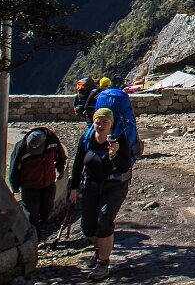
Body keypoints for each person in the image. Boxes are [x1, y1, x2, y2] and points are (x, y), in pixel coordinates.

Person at [69, 107, 134, 281]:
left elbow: (125, 167)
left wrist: (114, 155)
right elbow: (77, 164)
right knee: (88, 227)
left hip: (114, 185)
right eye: (98, 121)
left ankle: (102, 263)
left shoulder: (119, 139)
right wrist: (73, 188)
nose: (100, 125)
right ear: (94, 122)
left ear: (111, 123)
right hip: (91, 185)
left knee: (104, 220)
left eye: (105, 122)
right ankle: (100, 250)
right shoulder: (87, 139)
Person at [9, 126, 67, 233]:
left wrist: (60, 169)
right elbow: (14, 169)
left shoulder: (52, 141)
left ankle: (39, 228)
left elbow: (60, 156)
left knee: (47, 209)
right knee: (31, 214)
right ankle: (35, 237)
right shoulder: (21, 148)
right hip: (29, 186)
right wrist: (15, 186)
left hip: (48, 184)